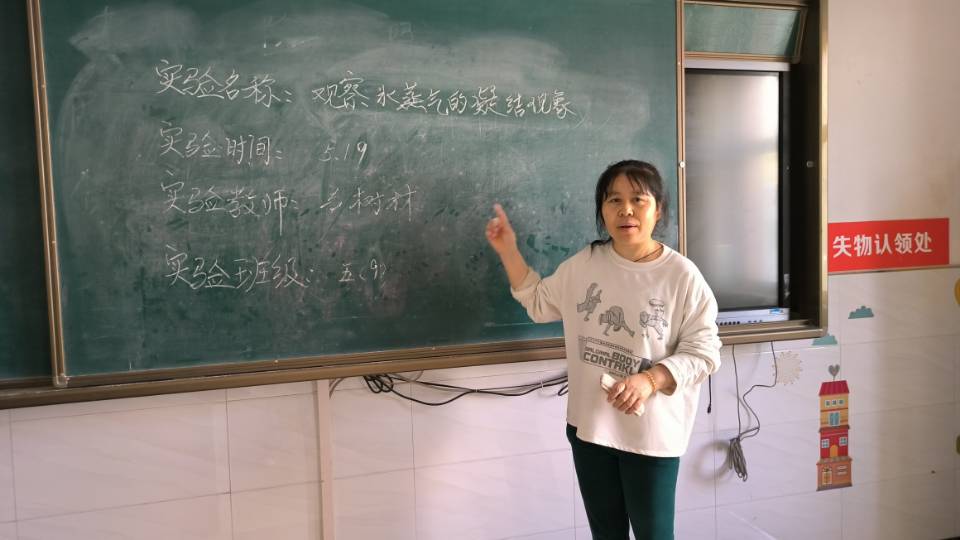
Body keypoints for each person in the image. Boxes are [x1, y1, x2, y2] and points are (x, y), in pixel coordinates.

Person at [484, 160, 721, 540]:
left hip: (650, 436)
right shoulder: (583, 266)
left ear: (658, 209)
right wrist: (508, 249)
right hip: (590, 429)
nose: (626, 210)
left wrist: (650, 380)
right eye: (614, 200)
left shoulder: (681, 276)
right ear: (602, 210)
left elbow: (705, 352)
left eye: (638, 199)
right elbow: (538, 302)